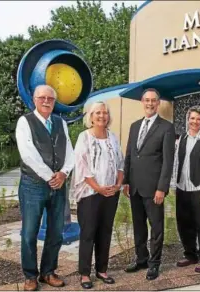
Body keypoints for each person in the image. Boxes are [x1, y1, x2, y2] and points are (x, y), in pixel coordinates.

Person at [15, 85, 74, 291]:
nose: (46, 101)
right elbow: (28, 154)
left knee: (56, 232)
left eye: (50, 98)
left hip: (58, 184)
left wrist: (64, 173)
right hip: (33, 185)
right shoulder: (25, 122)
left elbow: (69, 150)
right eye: (42, 98)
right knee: (29, 232)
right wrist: (51, 176)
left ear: (54, 101)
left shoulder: (60, 122)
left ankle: (48, 272)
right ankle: (30, 276)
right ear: (34, 99)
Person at [123, 88, 176, 280]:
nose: (150, 104)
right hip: (135, 187)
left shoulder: (166, 128)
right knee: (138, 226)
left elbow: (168, 162)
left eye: (153, 100)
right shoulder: (134, 126)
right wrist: (126, 181)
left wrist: (162, 188)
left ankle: (154, 263)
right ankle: (141, 259)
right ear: (142, 102)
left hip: (154, 189)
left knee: (156, 227)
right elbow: (129, 155)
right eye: (147, 100)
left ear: (158, 103)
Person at [70, 101, 124, 289]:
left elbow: (120, 163)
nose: (102, 116)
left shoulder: (113, 138)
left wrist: (117, 185)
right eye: (98, 113)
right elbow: (82, 168)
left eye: (105, 113)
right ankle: (85, 274)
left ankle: (102, 270)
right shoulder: (84, 137)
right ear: (91, 117)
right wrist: (99, 188)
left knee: (105, 232)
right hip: (90, 193)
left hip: (111, 193)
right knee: (88, 233)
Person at [170, 106, 200, 273]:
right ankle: (190, 254)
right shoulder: (181, 138)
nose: (195, 121)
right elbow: (176, 162)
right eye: (192, 118)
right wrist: (173, 184)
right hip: (182, 187)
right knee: (184, 223)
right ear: (187, 119)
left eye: (198, 119)